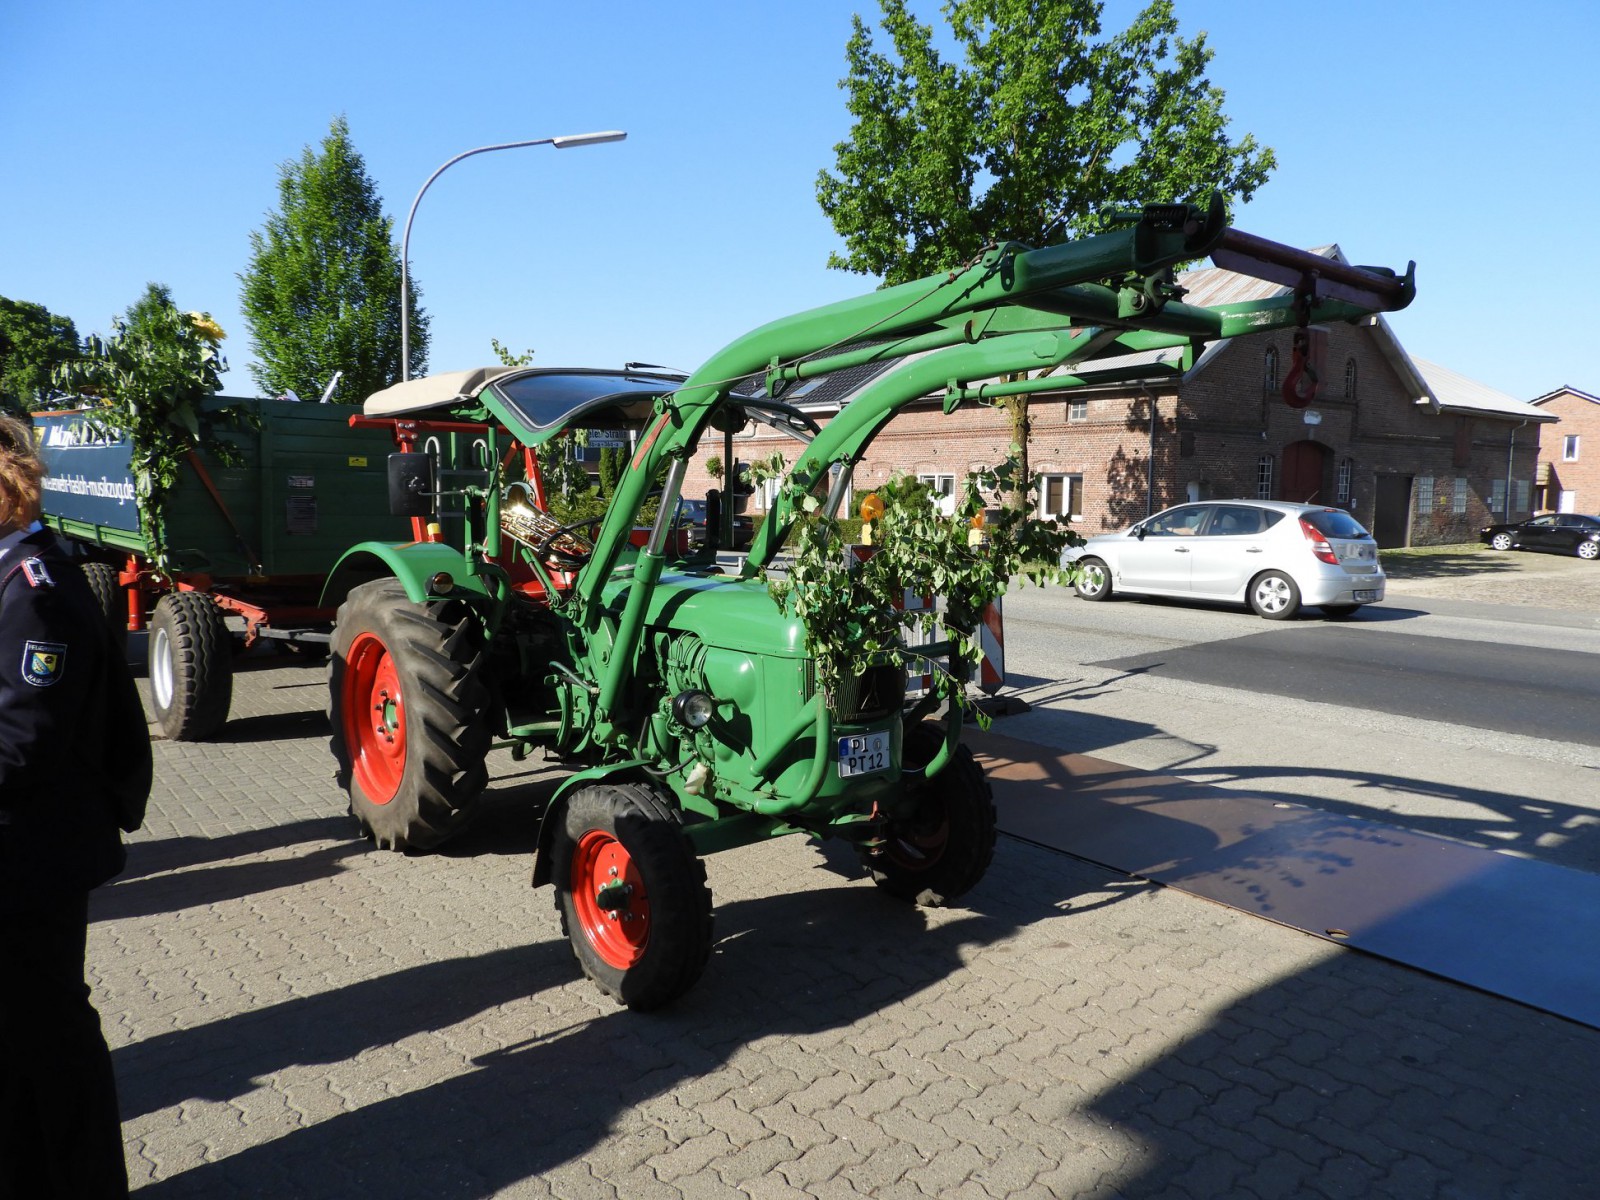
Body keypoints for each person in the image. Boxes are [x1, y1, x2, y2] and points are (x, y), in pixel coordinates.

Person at [0, 412, 151, 1198]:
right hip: (23, 850)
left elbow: (24, 739)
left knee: (49, 1045)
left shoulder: (35, 591)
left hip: (32, 857)